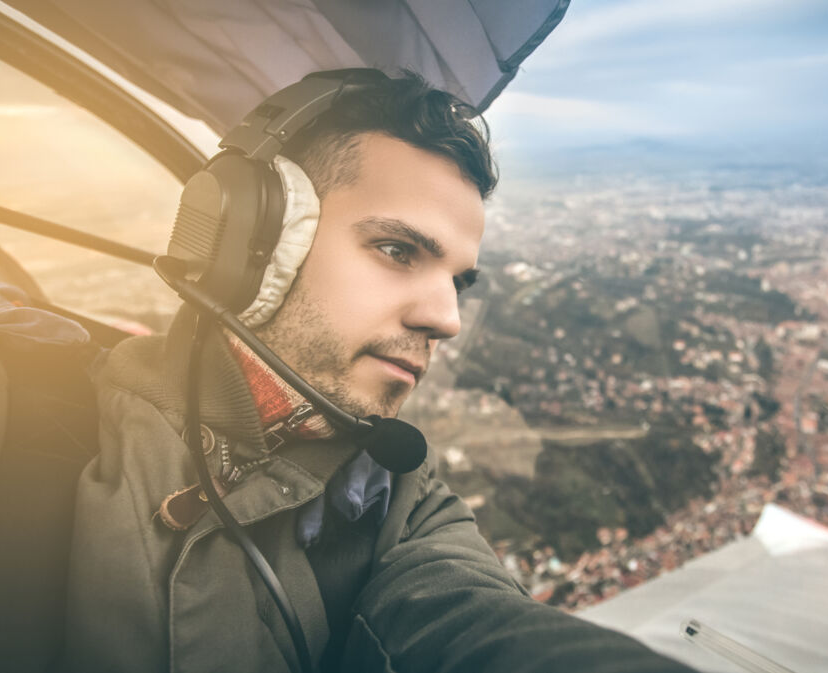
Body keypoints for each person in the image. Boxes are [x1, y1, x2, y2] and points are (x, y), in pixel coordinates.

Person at [58, 71, 698, 673]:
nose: (447, 318)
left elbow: (472, 624)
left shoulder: (403, 501)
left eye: (459, 282)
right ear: (252, 243)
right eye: (397, 250)